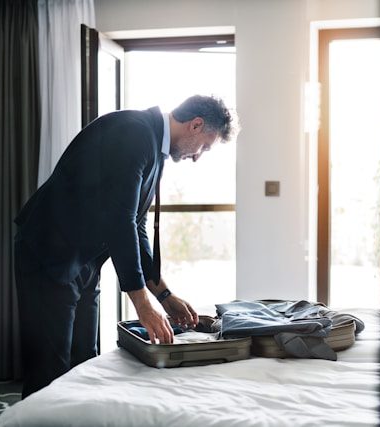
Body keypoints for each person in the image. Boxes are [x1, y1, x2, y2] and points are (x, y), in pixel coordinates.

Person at [14, 95, 235, 398]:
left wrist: (164, 295)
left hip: (85, 262)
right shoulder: (134, 133)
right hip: (49, 256)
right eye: (205, 147)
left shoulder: (155, 147)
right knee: (49, 370)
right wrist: (142, 304)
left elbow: (137, 226)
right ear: (196, 125)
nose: (198, 156)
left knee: (85, 362)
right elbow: (120, 221)